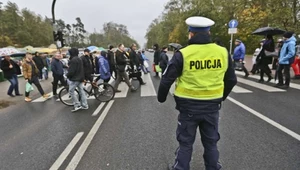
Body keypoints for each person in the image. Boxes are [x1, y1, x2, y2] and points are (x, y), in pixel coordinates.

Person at [157, 16, 237, 170]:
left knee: (185, 142)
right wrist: (221, 97)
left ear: (191, 34)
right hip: (212, 107)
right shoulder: (222, 52)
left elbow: (167, 79)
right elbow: (231, 80)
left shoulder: (183, 53)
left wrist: (161, 98)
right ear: (209, 32)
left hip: (188, 108)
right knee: (211, 142)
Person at [67, 48, 88, 112]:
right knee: (82, 92)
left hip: (75, 78)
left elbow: (71, 71)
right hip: (80, 77)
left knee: (71, 91)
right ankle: (85, 105)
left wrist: (68, 75)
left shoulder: (73, 60)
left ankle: (77, 105)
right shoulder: (79, 59)